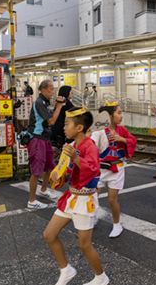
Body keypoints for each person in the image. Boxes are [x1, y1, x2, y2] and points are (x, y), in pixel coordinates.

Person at [43, 106, 109, 285]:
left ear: (79, 128)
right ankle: (66, 270)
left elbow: (94, 171)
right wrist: (57, 176)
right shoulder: (71, 146)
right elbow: (64, 173)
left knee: (84, 245)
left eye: (66, 124)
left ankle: (101, 278)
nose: (63, 127)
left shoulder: (90, 146)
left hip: (85, 199)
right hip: (71, 197)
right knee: (49, 234)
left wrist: (76, 158)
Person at [91, 100, 137, 237]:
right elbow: (91, 146)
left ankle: (117, 224)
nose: (121, 116)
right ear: (109, 116)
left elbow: (132, 141)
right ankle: (92, 217)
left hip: (117, 168)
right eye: (119, 113)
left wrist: (121, 139)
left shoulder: (122, 130)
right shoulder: (99, 131)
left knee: (112, 199)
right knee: (92, 196)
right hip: (100, 169)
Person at [26, 80, 65, 209]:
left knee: (49, 166)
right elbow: (52, 121)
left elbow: (50, 117)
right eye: (51, 89)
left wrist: (56, 107)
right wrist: (59, 106)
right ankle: (32, 201)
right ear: (43, 91)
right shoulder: (39, 102)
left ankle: (43, 190)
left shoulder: (44, 102)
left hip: (44, 138)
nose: (53, 92)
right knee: (36, 171)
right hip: (37, 139)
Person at [51, 86, 74, 164]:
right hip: (61, 131)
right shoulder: (66, 102)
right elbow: (75, 112)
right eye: (70, 91)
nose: (72, 93)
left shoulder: (60, 102)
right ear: (66, 92)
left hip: (56, 131)